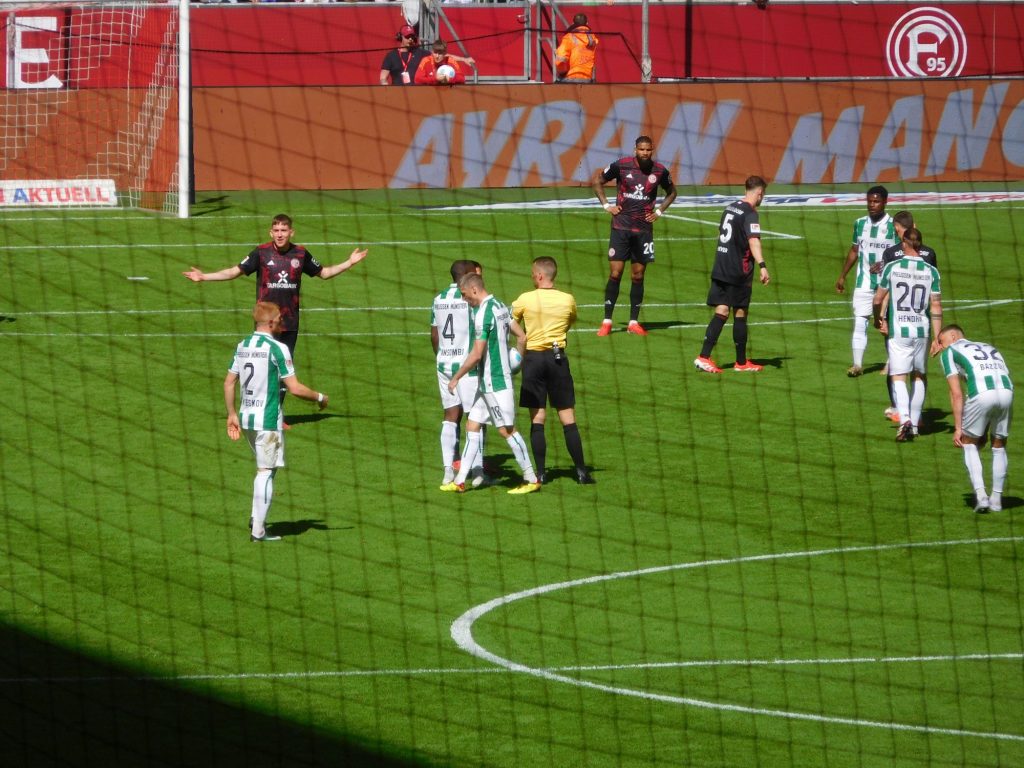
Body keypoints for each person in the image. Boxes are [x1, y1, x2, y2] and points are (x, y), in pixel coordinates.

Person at [183, 214, 367, 412]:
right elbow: (234, 272)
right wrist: (204, 277)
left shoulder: (301, 254)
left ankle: (277, 413)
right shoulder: (261, 253)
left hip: (289, 322)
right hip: (265, 322)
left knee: (283, 371)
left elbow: (324, 273)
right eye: (276, 231)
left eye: (283, 230)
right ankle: (259, 408)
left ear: (291, 232)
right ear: (271, 232)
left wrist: (349, 263)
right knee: (263, 366)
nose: (280, 235)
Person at [224, 302, 329, 542]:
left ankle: (256, 518)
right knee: (266, 471)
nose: (283, 321)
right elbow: (295, 388)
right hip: (268, 420)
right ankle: (258, 531)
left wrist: (231, 414)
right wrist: (320, 397)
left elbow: (229, 382)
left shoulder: (243, 345)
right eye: (280, 318)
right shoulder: (278, 348)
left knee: (264, 469)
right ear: (271, 323)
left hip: (247, 419)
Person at [442, 274, 541, 495]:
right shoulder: (500, 306)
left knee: (507, 430)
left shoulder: (483, 314)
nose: (465, 300)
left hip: (495, 385)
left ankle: (531, 478)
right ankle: (459, 481)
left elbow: (477, 354)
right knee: (472, 426)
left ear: (474, 290)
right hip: (489, 383)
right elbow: (522, 337)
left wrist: (456, 377)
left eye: (465, 295)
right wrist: (515, 362)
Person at [511, 257, 595, 485]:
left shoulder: (525, 299)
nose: (531, 276)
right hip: (558, 359)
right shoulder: (568, 299)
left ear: (539, 276)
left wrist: (523, 336)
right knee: (568, 418)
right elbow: (569, 321)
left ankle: (540, 473)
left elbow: (509, 321)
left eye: (532, 273)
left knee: (538, 419)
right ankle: (581, 472)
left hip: (533, 360)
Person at [592, 135, 677, 336]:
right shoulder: (621, 165)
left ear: (652, 150)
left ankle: (633, 322)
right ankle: (607, 321)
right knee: (615, 273)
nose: (645, 153)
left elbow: (672, 192)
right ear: (635, 150)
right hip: (620, 228)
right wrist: (607, 206)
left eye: (648, 150)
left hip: (644, 231)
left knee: (638, 276)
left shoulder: (660, 171)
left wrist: (659, 212)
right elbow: (598, 181)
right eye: (641, 149)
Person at [872, 228, 943, 442]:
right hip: (922, 330)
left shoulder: (892, 267)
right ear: (920, 244)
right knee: (919, 375)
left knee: (898, 376)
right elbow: (936, 306)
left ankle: (904, 421)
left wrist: (878, 319)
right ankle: (915, 423)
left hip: (899, 331)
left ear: (904, 243)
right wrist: (938, 337)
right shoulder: (931, 271)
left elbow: (877, 299)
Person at [694, 176, 771, 374]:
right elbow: (753, 241)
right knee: (740, 312)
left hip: (721, 266)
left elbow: (721, 232)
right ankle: (739, 362)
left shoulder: (730, 208)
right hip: (738, 270)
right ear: (760, 192)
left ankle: (706, 357)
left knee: (721, 310)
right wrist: (762, 265)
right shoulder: (750, 213)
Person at [935, 324, 1013, 513]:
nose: (940, 347)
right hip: (1007, 392)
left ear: (953, 337)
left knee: (968, 443)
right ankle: (996, 500)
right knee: (999, 445)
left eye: (941, 342)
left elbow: (956, 394)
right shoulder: (988, 346)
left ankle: (981, 496)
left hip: (981, 394)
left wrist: (958, 428)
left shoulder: (949, 352)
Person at [431, 259, 486, 486]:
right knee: (476, 416)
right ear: (467, 275)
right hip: (467, 367)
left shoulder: (438, 299)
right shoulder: (471, 299)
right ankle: (477, 471)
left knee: (450, 415)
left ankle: (448, 470)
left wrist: (443, 356)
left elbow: (434, 335)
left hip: (444, 364)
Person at [835, 185, 898, 377]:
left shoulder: (893, 226)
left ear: (885, 202)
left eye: (876, 201)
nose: (872, 205)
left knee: (886, 324)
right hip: (863, 282)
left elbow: (902, 252)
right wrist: (842, 275)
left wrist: (883, 263)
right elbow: (855, 250)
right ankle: (857, 365)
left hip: (887, 285)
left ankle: (892, 363)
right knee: (860, 321)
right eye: (870, 201)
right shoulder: (859, 223)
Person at [554, 13, 599, 83]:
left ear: (573, 23)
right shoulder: (592, 38)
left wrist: (562, 72)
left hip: (572, 77)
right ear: (587, 23)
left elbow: (560, 59)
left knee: (557, 83)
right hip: (588, 78)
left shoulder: (569, 37)